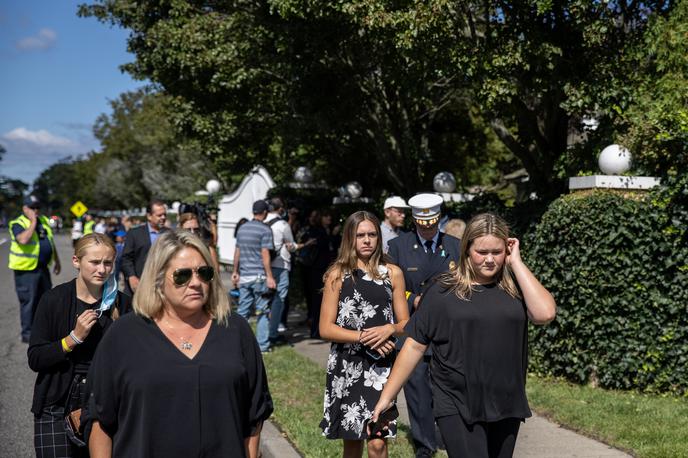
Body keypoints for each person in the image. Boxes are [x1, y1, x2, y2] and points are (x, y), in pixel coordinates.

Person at [372, 213, 557, 458]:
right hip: (457, 401)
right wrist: (387, 396)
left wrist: (517, 264)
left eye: (497, 252)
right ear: (467, 249)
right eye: (482, 252)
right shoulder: (442, 290)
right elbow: (414, 345)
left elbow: (544, 314)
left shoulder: (514, 289)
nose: (490, 260)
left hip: (506, 400)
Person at [87, 230, 273, 457]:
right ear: (158, 278)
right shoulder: (124, 335)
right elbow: (100, 419)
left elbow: (255, 412)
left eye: (204, 273)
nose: (196, 283)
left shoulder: (235, 330)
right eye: (182, 275)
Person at [28, 233, 131, 458]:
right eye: (94, 262)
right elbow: (36, 358)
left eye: (107, 263)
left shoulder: (124, 304)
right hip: (56, 402)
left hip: (105, 401)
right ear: (77, 261)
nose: (102, 269)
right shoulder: (53, 299)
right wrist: (73, 338)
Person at [319, 211, 409, 458]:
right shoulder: (338, 274)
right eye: (360, 235)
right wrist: (363, 337)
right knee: (353, 440)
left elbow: (406, 323)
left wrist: (390, 329)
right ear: (350, 238)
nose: (367, 240)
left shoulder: (393, 273)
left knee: (378, 441)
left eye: (372, 234)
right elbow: (325, 328)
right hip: (348, 365)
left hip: (380, 367)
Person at [386, 193, 461, 458]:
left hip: (447, 328)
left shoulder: (455, 246)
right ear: (415, 220)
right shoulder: (398, 247)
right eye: (422, 222)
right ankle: (424, 444)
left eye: (432, 221)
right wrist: (413, 298)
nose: (427, 227)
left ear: (439, 218)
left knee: (447, 387)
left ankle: (453, 435)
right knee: (417, 387)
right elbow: (391, 287)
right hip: (414, 324)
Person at [8, 195, 61, 343]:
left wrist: (57, 260)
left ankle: (42, 331)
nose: (36, 210)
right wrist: (32, 222)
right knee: (28, 302)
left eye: (38, 207)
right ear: (25, 208)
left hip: (42, 268)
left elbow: (50, 241)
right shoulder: (18, 223)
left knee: (45, 300)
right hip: (26, 270)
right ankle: (28, 334)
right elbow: (24, 240)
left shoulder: (43, 221)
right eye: (32, 208)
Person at [232, 199, 277, 353]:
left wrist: (235, 271)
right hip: (259, 277)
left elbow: (237, 251)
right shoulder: (265, 230)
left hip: (244, 277)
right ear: (264, 213)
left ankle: (236, 343)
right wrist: (270, 276)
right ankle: (262, 346)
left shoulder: (242, 228)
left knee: (243, 311)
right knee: (263, 311)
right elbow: (265, 253)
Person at [120, 198, 168, 296]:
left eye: (164, 215)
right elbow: (126, 259)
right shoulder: (135, 233)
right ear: (149, 216)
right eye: (159, 215)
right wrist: (131, 276)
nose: (163, 217)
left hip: (163, 287)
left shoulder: (170, 234)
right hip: (140, 287)